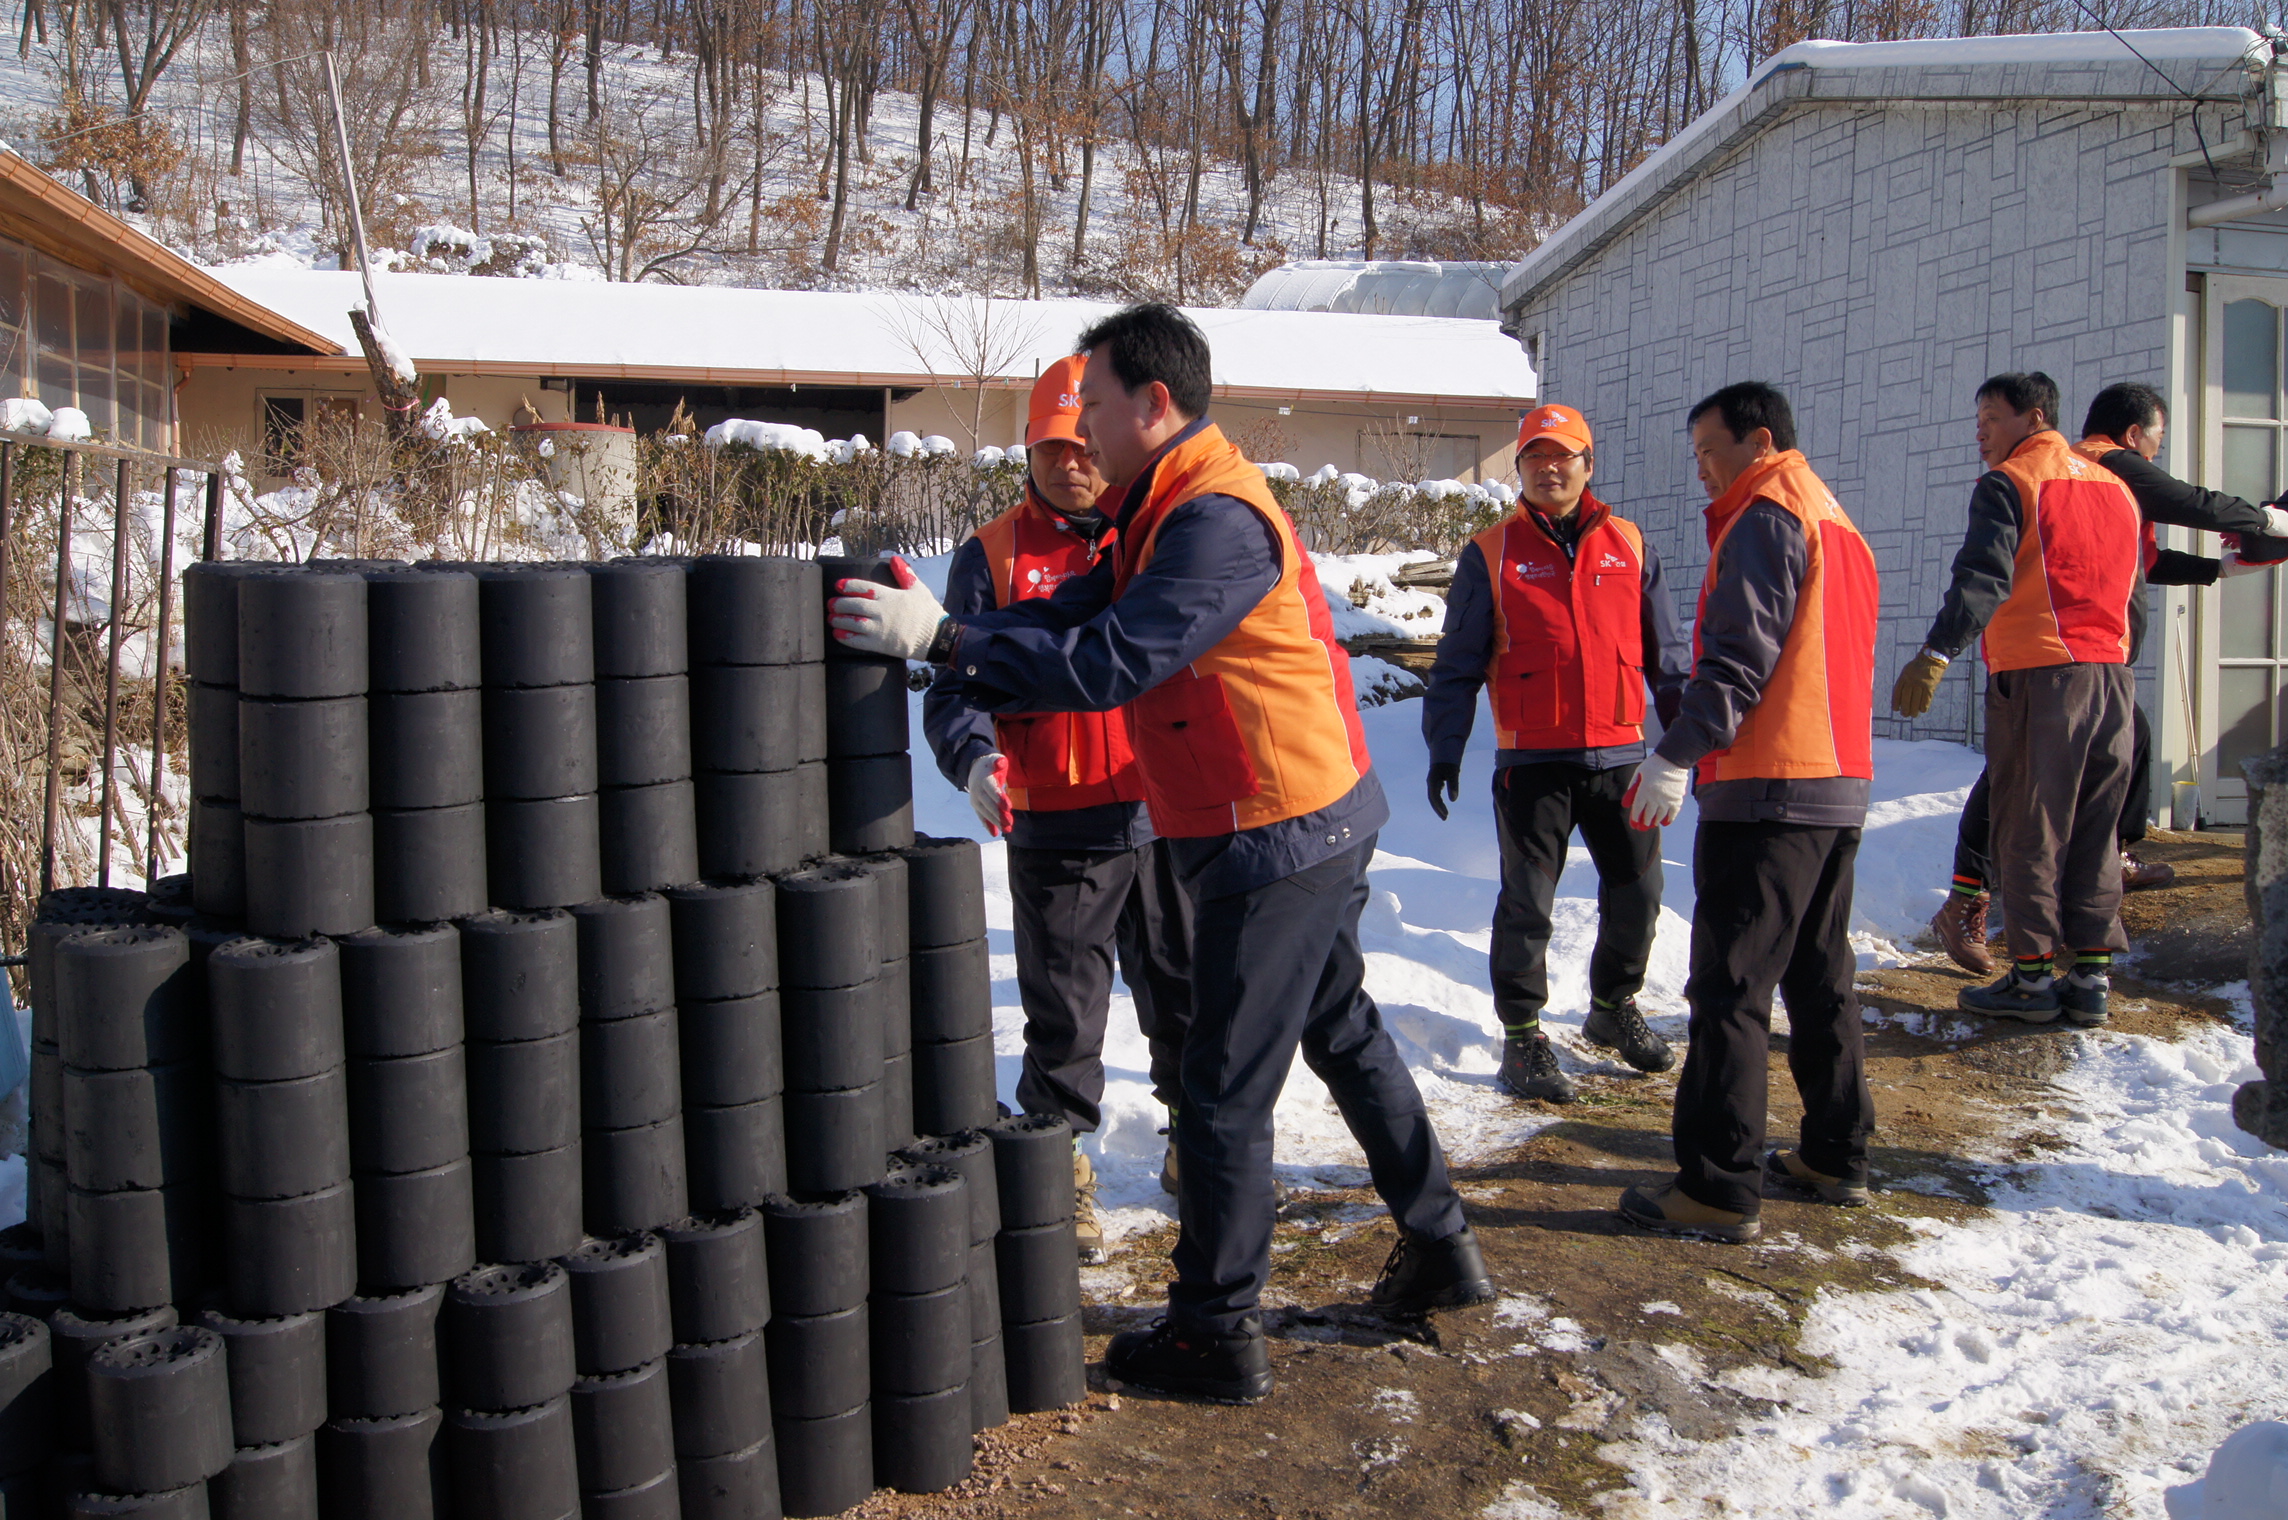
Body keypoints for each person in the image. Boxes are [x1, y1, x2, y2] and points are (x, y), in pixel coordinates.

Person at [829, 303, 1488, 1404]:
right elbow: (1065, 618)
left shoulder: (1213, 518)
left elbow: (1110, 660)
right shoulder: (1152, 512)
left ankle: (1213, 1329)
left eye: (1091, 402)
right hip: (1287, 812)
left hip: (1274, 824)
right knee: (1337, 1024)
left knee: (1220, 1084)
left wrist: (945, 640)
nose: (1079, 426)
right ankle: (1440, 1242)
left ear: (1153, 402)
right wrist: (949, 640)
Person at [922, 356, 1196, 1265]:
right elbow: (954, 685)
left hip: (1164, 809)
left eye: (1083, 444)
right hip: (1056, 821)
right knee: (1063, 1016)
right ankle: (1058, 1174)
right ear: (1028, 449)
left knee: (1186, 995)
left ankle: (1193, 1149)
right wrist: (972, 759)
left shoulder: (1149, 533)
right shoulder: (992, 552)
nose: (1071, 461)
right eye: (1051, 446)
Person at [1615, 381, 1880, 1245]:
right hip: (1837, 785)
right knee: (1818, 976)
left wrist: (1676, 752)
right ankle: (1836, 1153)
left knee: (1730, 988)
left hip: (1771, 787)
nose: (1699, 469)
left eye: (1707, 450)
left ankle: (1719, 1186)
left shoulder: (1765, 515)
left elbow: (1738, 659)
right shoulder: (1834, 518)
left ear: (1757, 440)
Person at [1923, 381, 2288, 973]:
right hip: (2051, 664)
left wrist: (2223, 567)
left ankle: (2066, 942)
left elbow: (2143, 562)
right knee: (2019, 797)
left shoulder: (2097, 483)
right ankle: (1998, 927)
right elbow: (2191, 501)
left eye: (1991, 418)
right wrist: (2269, 520)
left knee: (2105, 769)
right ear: (2131, 434)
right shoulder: (2104, 466)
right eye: (2156, 442)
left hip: (2095, 664)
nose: (2154, 459)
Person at [1421, 402, 1690, 1103]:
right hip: (1533, 764)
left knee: (1639, 894)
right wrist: (1444, 747)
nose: (1549, 467)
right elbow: (1457, 662)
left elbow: (1669, 658)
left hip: (1621, 757)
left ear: (1587, 464)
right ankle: (1522, 1039)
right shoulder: (1491, 551)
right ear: (1520, 468)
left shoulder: (1630, 543)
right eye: (1535, 456)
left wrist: (1687, 747)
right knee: (1528, 904)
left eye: (1563, 455)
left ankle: (1612, 1008)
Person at [1889, 373, 2141, 1025]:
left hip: (2040, 677)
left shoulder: (2012, 482)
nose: (1980, 431)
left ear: (2033, 419)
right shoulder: (2116, 487)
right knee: (2096, 826)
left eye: (1990, 418)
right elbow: (2134, 592)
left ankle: (2030, 980)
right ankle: (2090, 978)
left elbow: (1982, 578)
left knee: (2031, 826)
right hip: (2112, 678)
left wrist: (1938, 652)